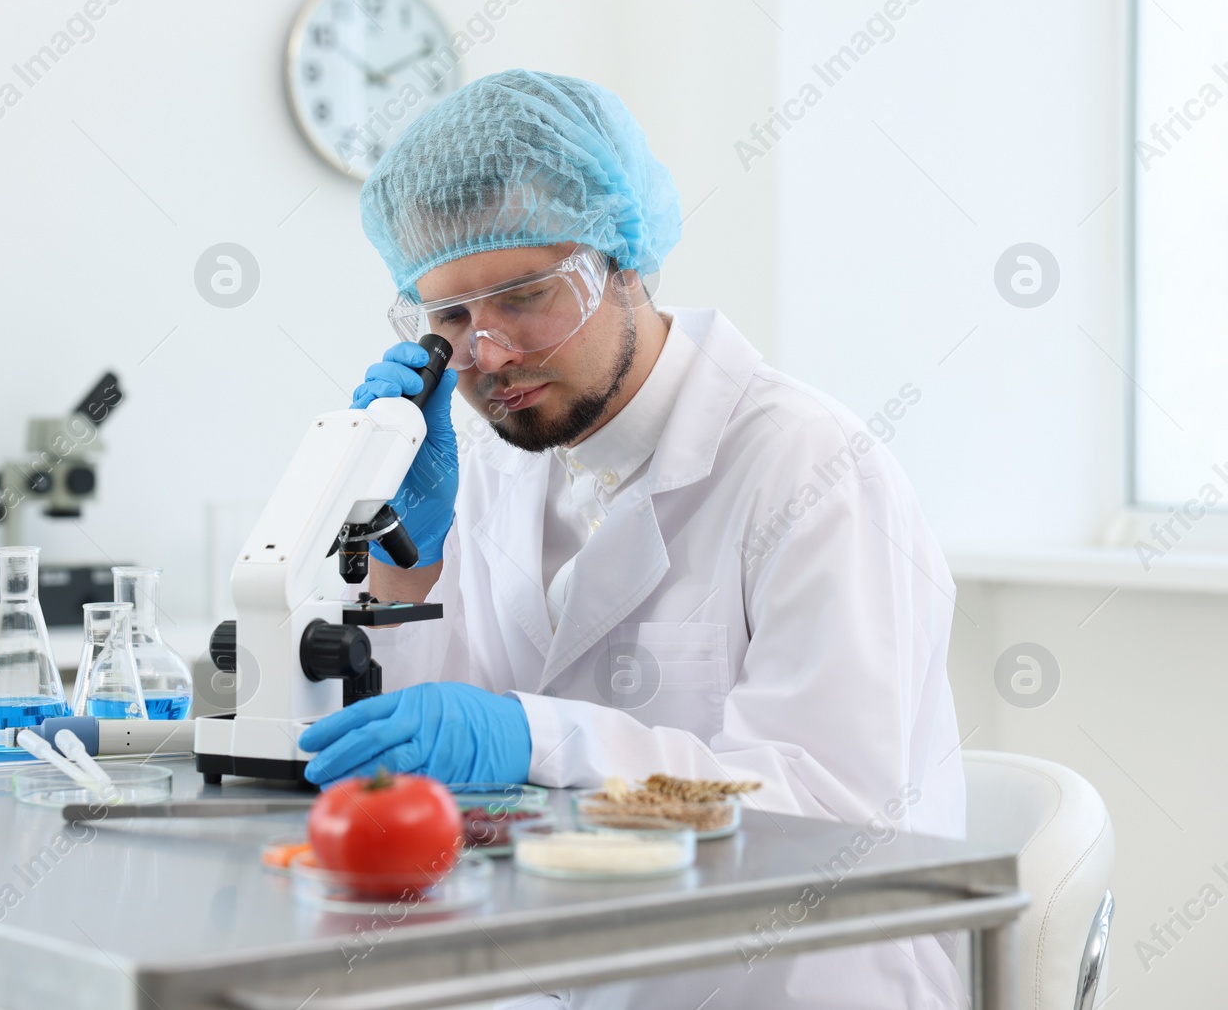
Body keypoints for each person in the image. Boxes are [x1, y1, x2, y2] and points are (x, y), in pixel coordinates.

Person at [299, 70, 967, 1009]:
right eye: (451, 316)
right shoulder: (492, 466)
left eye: (526, 295)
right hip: (567, 969)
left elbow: (825, 817)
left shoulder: (812, 469)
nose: (489, 353)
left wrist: (536, 737)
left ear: (626, 259)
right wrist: (406, 569)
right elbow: (401, 766)